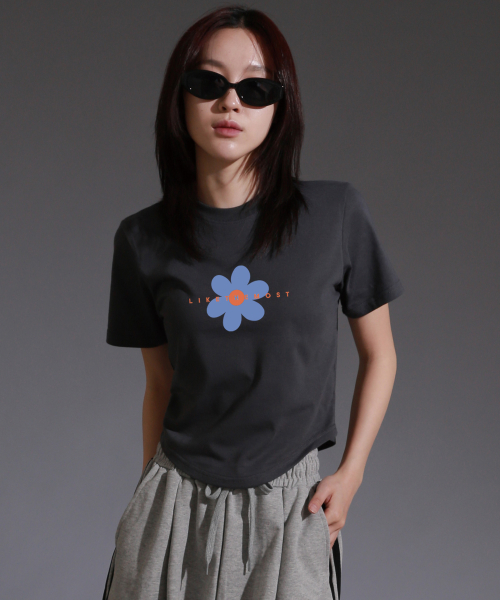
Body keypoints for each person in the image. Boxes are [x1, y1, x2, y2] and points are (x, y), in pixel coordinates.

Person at [102, 5, 404, 600]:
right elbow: (159, 384)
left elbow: (382, 355)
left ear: (279, 105)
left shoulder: (335, 215)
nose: (230, 102)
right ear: (179, 97)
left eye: (255, 87)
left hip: (290, 506)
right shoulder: (141, 239)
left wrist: (351, 473)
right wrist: (147, 495)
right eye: (208, 82)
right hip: (173, 500)